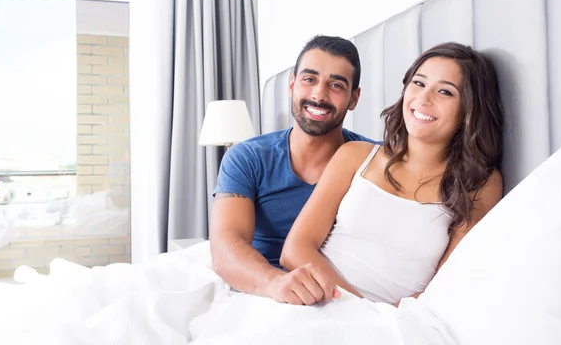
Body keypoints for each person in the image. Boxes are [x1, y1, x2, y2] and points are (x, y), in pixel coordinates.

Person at [280, 42, 504, 306]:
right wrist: (357, 308)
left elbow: (448, 283)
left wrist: (381, 322)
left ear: (469, 108)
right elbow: (295, 250)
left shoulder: (479, 184)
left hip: (396, 323)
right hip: (319, 303)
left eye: (445, 91)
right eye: (419, 84)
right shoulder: (355, 155)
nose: (424, 98)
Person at [209, 35, 376, 305]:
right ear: (292, 85)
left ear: (354, 98)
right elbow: (226, 243)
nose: (318, 95)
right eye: (309, 79)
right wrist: (275, 282)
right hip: (265, 291)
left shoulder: (376, 161)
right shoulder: (247, 157)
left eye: (335, 85)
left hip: (347, 297)